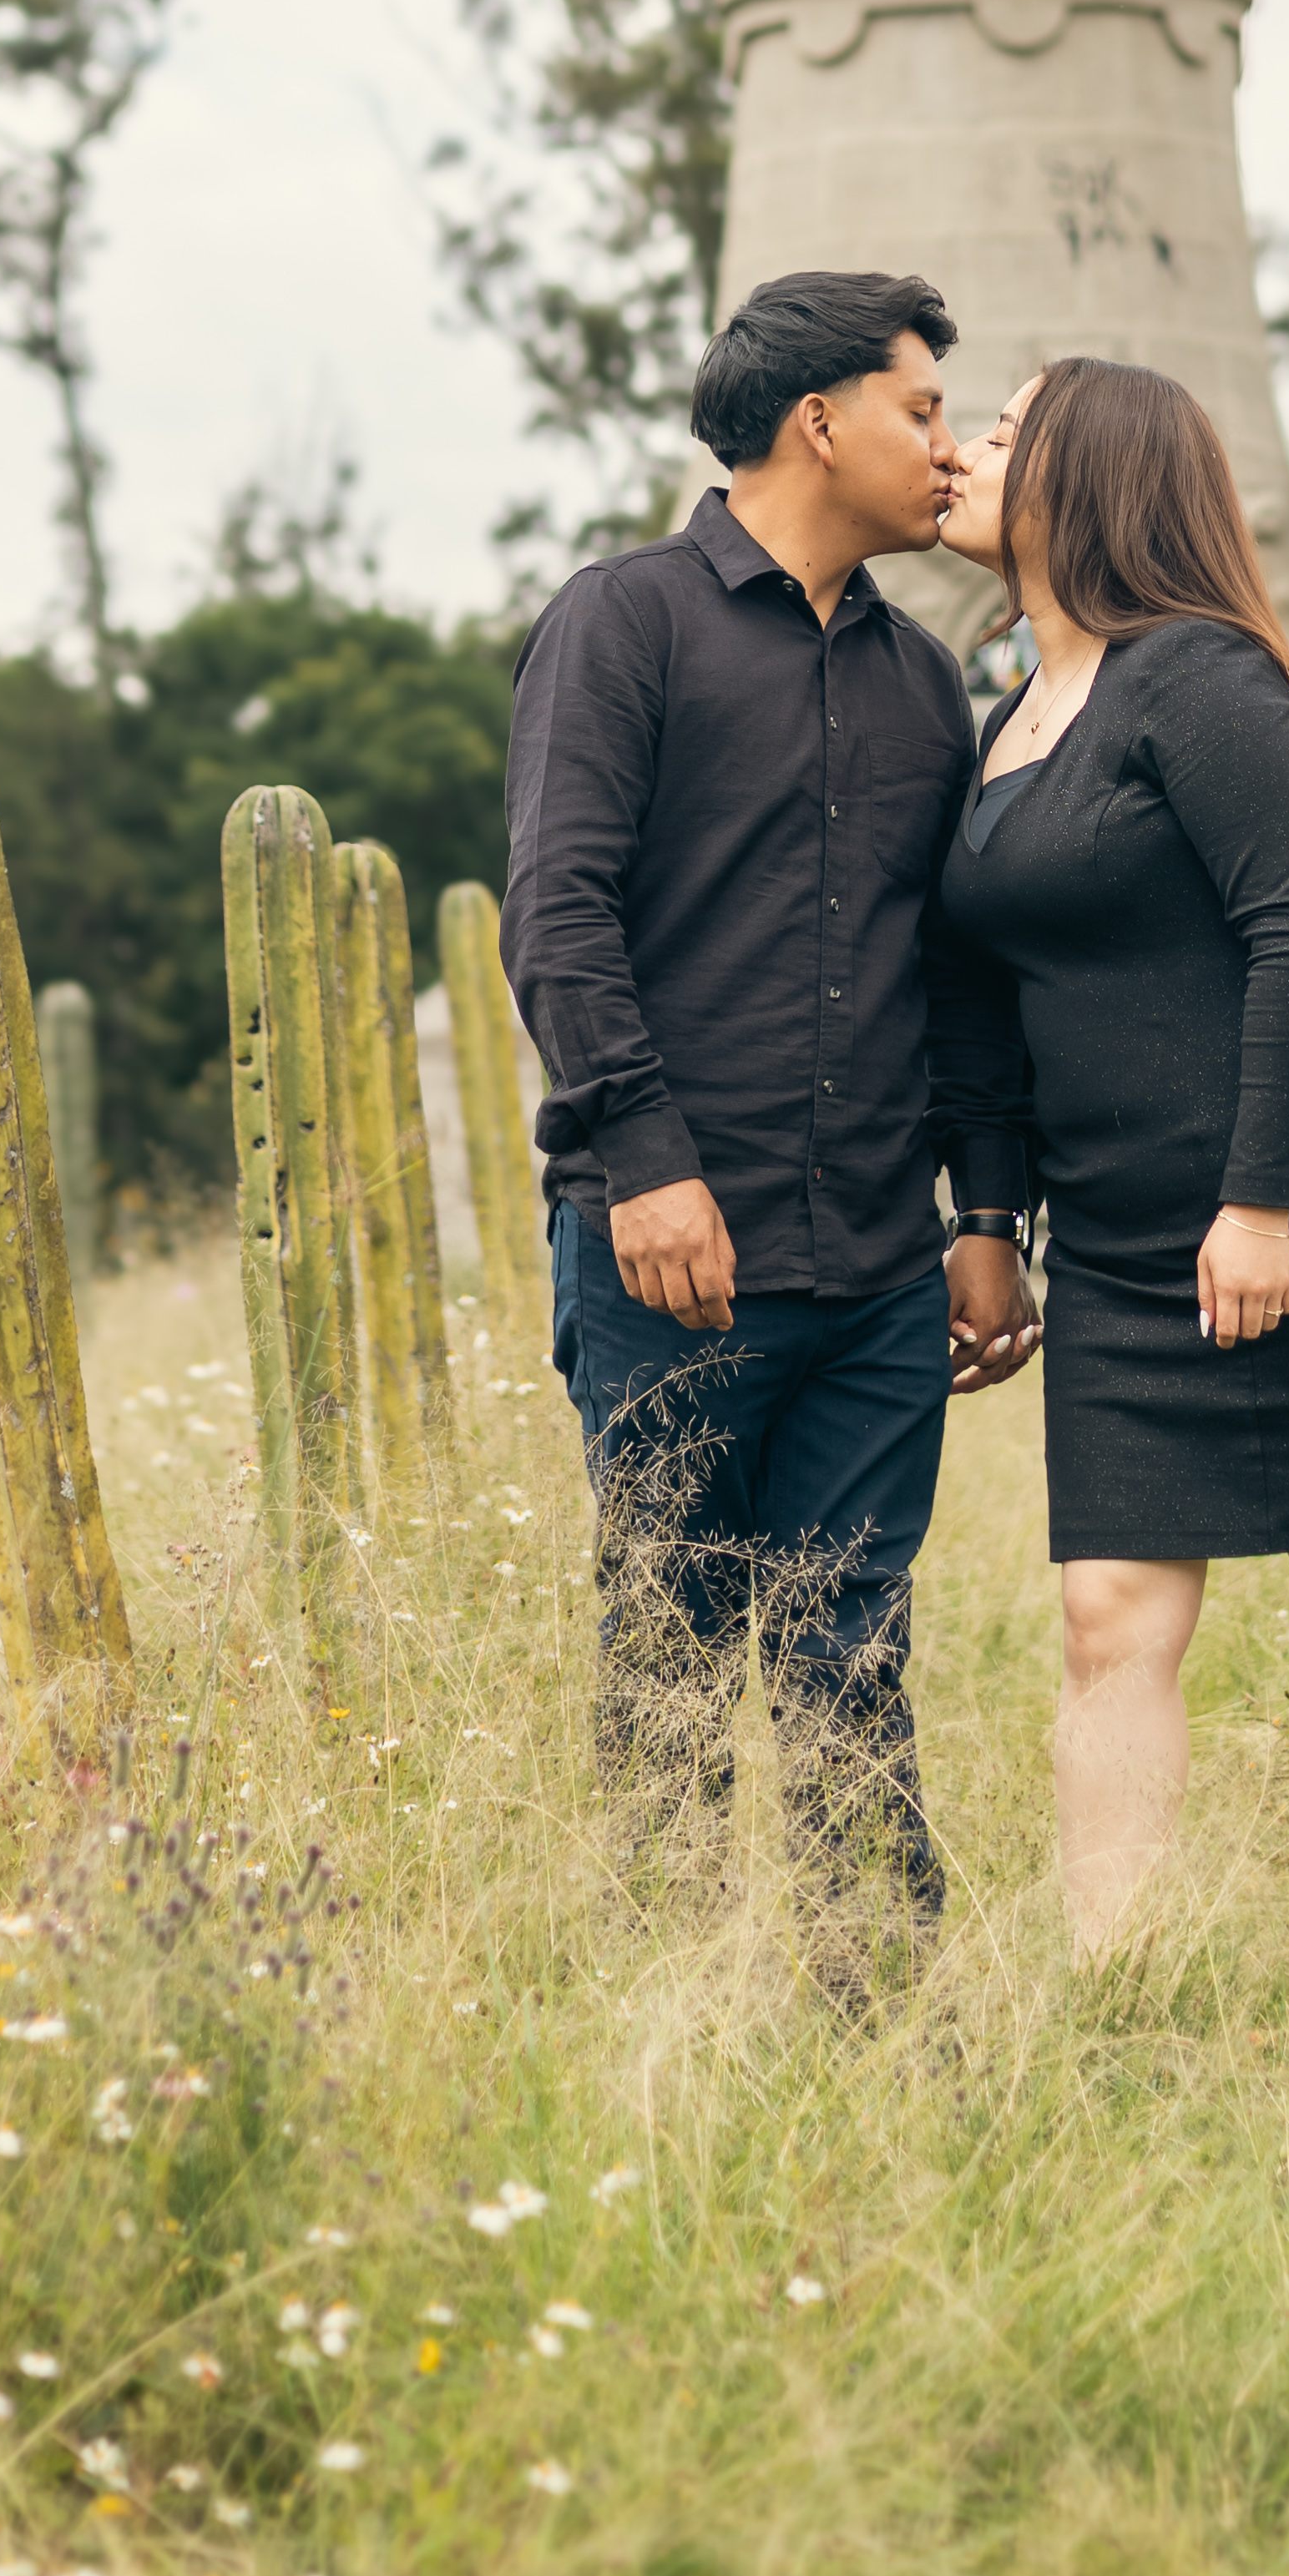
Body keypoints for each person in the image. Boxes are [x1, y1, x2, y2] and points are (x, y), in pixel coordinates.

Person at [500, 270, 1039, 1975]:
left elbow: (953, 974)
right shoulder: (623, 621)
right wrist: (642, 1162)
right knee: (663, 1657)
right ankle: (664, 2022)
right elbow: (557, 911)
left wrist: (981, 1218)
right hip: (671, 1263)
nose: (943, 448)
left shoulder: (918, 682)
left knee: (849, 1656)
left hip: (879, 1276)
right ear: (820, 421)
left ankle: (876, 2019)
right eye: (920, 409)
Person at [933, 357, 1289, 1972]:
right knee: (1109, 1621)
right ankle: (1122, 1986)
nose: (968, 450)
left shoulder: (1201, 680)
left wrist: (1259, 1205)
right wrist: (987, 1221)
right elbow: (975, 1010)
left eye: (1010, 431)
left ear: (1088, 476)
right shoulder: (1002, 714)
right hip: (1116, 1247)